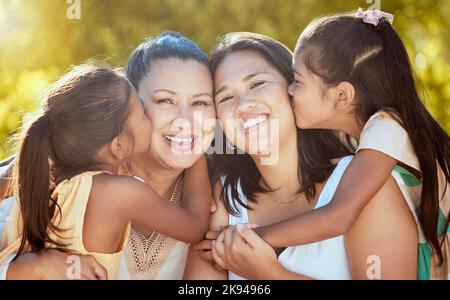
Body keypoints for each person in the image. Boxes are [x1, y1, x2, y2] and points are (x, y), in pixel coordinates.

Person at [183, 32, 417, 280]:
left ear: (294, 89)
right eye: (226, 97)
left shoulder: (365, 188)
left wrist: (270, 274)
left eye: (257, 84)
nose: (242, 105)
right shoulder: (226, 196)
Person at [0, 63, 210, 279]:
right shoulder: (121, 192)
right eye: (143, 114)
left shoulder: (37, 171)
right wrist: (195, 149)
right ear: (119, 146)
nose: (149, 117)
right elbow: (195, 227)